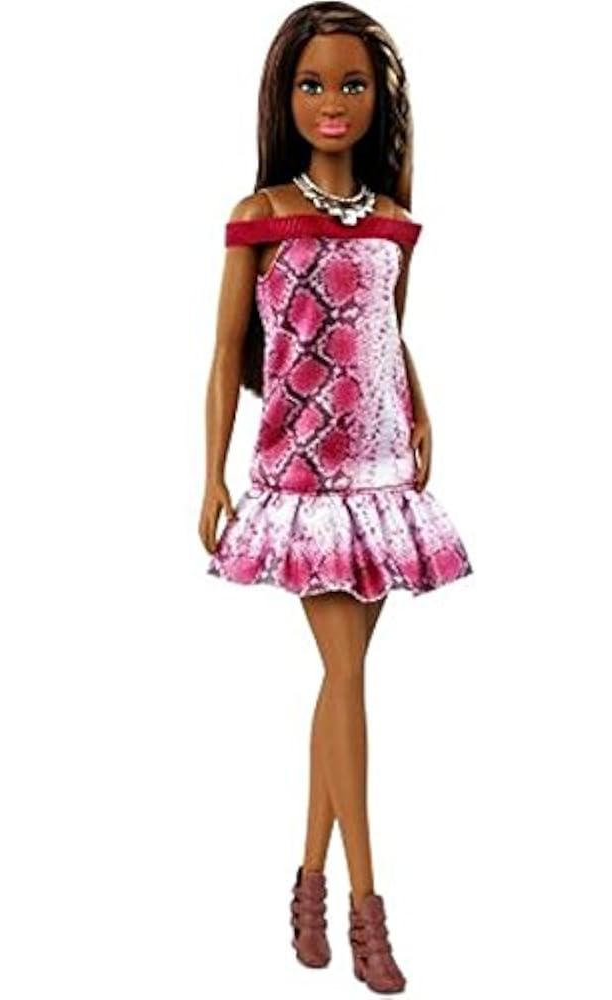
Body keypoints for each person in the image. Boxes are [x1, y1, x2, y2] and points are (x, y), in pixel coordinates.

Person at [198, 3, 473, 992]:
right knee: (347, 675)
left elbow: (387, 328)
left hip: (383, 471)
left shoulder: (393, 220)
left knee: (341, 679)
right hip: (304, 477)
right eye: (312, 84)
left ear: (378, 100)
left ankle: (307, 880)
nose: (331, 102)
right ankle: (368, 907)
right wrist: (210, 473)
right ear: (285, 97)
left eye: (351, 84)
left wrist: (423, 408)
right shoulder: (262, 214)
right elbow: (228, 351)